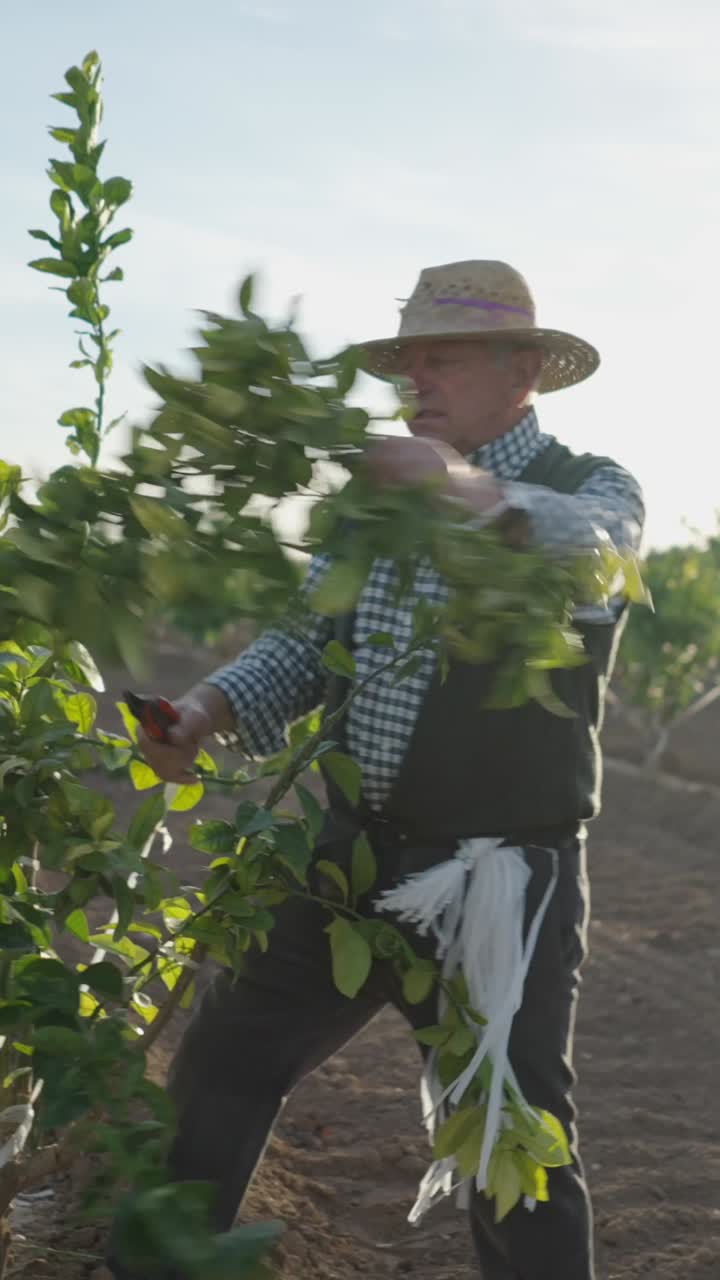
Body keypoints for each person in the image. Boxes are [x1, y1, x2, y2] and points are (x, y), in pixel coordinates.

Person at [109, 260, 644, 1280]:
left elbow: (597, 551)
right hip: (351, 856)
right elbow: (308, 641)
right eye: (407, 359)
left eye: (439, 355)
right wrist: (204, 710)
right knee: (222, 1061)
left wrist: (458, 490)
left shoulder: (589, 488)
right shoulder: (376, 509)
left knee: (509, 1132)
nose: (415, 377)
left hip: (500, 876)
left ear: (522, 367)